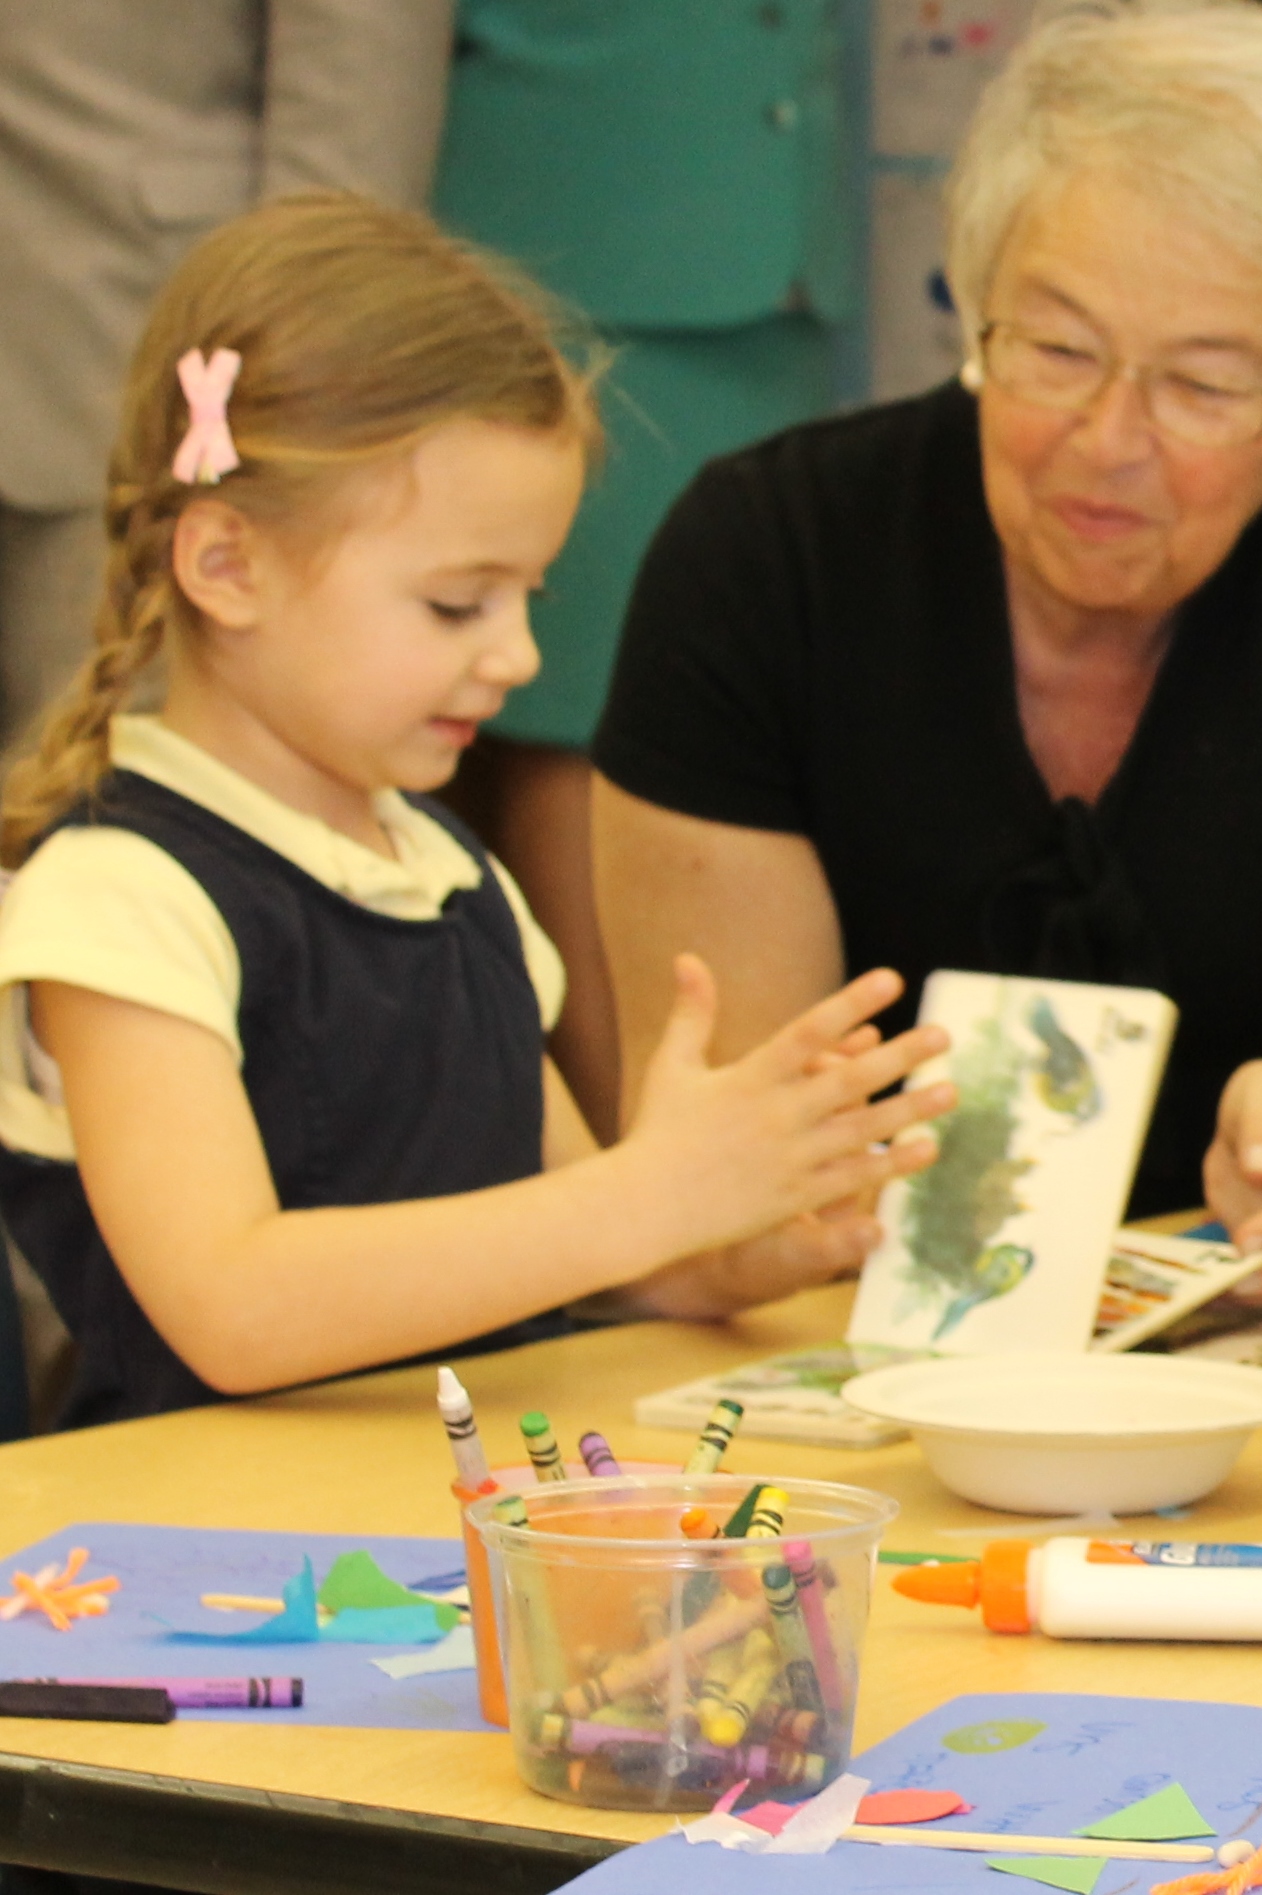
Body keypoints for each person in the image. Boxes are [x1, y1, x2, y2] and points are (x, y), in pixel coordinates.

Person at [590, 0, 1262, 1298]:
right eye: (1055, 348)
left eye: (1204, 385)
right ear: (972, 316)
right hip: (844, 1329)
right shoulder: (766, 557)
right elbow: (717, 1152)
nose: (1109, 438)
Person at [0, 196, 954, 1431]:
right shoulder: (119, 895)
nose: (515, 657)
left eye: (528, 596)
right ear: (225, 564)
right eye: (458, 605)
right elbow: (232, 1307)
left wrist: (735, 1237)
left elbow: (577, 1245)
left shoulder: (444, 869)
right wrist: (644, 1198)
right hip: (198, 1563)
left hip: (443, 1524)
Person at [0, 0, 457, 1439]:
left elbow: (352, 80)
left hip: (123, 332)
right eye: (466, 606)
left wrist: (314, 377)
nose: (507, 654)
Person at [430, 0, 857, 1138]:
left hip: (779, 246)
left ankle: (696, 1175)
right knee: (581, 710)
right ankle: (641, 1170)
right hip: (574, 236)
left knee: (754, 695)